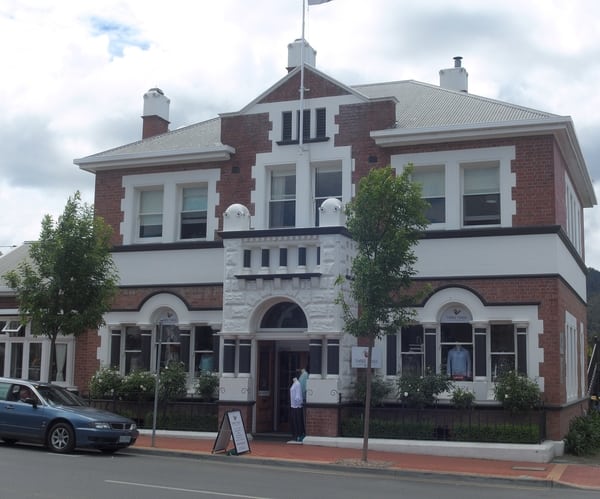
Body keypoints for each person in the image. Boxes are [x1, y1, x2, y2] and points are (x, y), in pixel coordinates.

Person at [289, 377, 304, 442]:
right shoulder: (294, 383)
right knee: (294, 421)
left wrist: (297, 404)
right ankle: (296, 435)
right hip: (293, 405)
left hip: (297, 406)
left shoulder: (297, 384)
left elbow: (298, 395)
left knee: (297, 421)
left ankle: (299, 435)